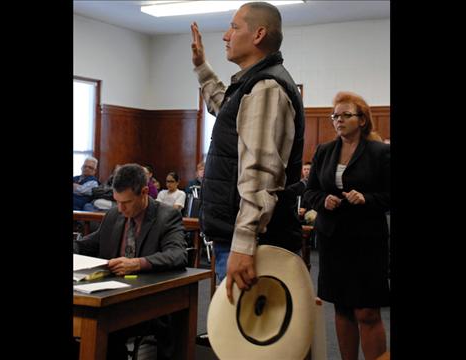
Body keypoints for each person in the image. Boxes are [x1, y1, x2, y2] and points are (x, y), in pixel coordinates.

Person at [190, 1, 305, 302]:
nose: (226, 35)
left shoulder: (266, 87)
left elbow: (261, 173)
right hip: (244, 239)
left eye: (234, 27)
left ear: (258, 35)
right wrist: (202, 66)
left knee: (250, 343)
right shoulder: (255, 85)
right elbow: (223, 107)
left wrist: (244, 242)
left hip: (254, 244)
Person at [302, 91, 390, 360]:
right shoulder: (324, 151)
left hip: (367, 240)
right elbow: (309, 191)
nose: (339, 120)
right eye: (335, 116)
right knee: (341, 308)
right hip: (333, 239)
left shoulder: (380, 152)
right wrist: (322, 199)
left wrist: (367, 198)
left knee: (366, 311)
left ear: (362, 119)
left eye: (346, 115)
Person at [73, 163, 188, 360]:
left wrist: (138, 263)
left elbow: (178, 254)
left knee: (103, 331)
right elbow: (86, 245)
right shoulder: (114, 214)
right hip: (109, 296)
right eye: (116, 201)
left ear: (144, 192)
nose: (120, 208)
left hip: (146, 301)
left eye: (125, 202)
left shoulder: (167, 216)